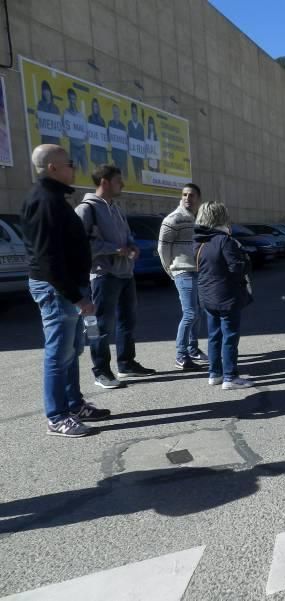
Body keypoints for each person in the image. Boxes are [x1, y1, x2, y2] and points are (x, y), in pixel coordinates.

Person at [19, 145, 110, 437]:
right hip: (57, 289)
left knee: (72, 351)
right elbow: (48, 260)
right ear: (52, 168)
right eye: (69, 164)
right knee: (58, 354)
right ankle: (57, 417)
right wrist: (77, 296)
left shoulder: (55, 199)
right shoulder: (44, 201)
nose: (74, 168)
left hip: (69, 286)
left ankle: (73, 404)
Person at [75, 164, 155, 388]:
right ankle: (101, 371)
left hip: (125, 273)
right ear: (105, 182)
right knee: (99, 325)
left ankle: (126, 363)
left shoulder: (115, 207)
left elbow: (127, 234)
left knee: (127, 321)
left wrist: (132, 246)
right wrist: (114, 249)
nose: (123, 184)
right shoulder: (86, 209)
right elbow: (81, 244)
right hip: (102, 275)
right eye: (119, 180)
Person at [193, 202, 254, 389]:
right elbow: (236, 268)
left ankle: (215, 373)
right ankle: (230, 377)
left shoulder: (199, 241)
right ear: (221, 217)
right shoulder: (224, 241)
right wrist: (245, 260)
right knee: (230, 337)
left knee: (214, 336)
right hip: (227, 296)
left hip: (207, 296)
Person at [158, 184, 208, 370]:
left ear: (198, 198)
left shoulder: (198, 219)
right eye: (184, 194)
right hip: (183, 271)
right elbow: (162, 248)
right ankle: (181, 355)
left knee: (198, 312)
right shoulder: (173, 219)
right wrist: (171, 270)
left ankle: (193, 349)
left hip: (198, 272)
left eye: (192, 195)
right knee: (190, 313)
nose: (187, 198)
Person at [64, 89, 88, 176]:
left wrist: (86, 136)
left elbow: (86, 132)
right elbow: (64, 131)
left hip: (82, 148)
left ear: (76, 99)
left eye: (74, 99)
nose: (72, 101)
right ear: (68, 99)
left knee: (86, 171)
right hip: (73, 147)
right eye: (71, 99)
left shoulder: (80, 115)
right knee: (73, 173)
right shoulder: (66, 113)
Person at [36, 81, 62, 145]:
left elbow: (59, 124)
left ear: (50, 92)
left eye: (47, 91)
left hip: (55, 141)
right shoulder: (40, 105)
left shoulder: (55, 108)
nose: (46, 93)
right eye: (44, 91)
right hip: (46, 141)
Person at [108, 104, 128, 178]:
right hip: (114, 156)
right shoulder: (110, 124)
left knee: (121, 177)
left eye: (116, 112)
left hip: (122, 157)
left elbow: (125, 144)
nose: (115, 114)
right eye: (114, 112)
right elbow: (109, 141)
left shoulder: (123, 126)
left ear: (119, 113)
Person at [127, 103, 145, 183]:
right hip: (133, 152)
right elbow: (128, 137)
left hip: (140, 153)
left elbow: (143, 140)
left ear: (137, 114)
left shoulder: (140, 126)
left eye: (135, 113)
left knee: (141, 169)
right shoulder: (129, 124)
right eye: (132, 113)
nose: (134, 115)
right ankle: (137, 182)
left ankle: (141, 182)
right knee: (135, 169)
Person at [88, 98, 108, 168]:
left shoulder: (102, 120)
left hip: (102, 149)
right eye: (94, 106)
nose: (95, 108)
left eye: (96, 106)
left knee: (103, 169)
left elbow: (104, 135)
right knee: (97, 169)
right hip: (95, 149)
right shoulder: (90, 118)